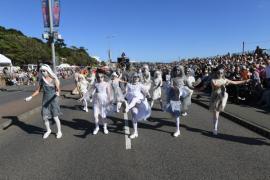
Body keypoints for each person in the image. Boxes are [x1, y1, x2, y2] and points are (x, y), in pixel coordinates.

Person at [210, 65, 250, 135]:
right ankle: (215, 128)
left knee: (225, 95)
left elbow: (235, 82)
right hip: (215, 96)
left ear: (223, 73)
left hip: (222, 95)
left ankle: (222, 105)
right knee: (216, 115)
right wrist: (224, 83)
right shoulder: (213, 80)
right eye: (218, 73)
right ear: (216, 73)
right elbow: (216, 85)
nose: (220, 74)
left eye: (221, 73)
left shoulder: (225, 79)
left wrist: (245, 81)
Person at [25, 64, 62, 139]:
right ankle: (48, 130)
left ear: (48, 71)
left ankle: (59, 131)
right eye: (41, 71)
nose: (43, 72)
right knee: (45, 117)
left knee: (55, 116)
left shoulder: (54, 79)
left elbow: (58, 89)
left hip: (53, 100)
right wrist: (30, 97)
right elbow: (38, 90)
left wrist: (58, 92)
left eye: (44, 71)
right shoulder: (42, 80)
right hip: (45, 100)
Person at [125, 73, 151, 139]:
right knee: (134, 115)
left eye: (137, 77)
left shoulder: (140, 85)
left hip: (139, 101)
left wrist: (148, 95)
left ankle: (127, 108)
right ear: (132, 77)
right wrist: (123, 97)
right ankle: (135, 132)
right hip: (131, 102)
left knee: (135, 98)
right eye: (135, 77)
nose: (136, 78)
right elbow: (125, 92)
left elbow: (145, 91)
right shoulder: (129, 85)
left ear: (139, 78)